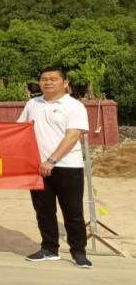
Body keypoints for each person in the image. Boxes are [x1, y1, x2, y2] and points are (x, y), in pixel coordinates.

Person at [18, 67, 92, 268]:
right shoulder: (33, 104)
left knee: (73, 211)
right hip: (37, 167)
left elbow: (73, 135)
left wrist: (51, 160)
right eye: (44, 79)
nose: (48, 82)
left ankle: (78, 251)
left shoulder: (74, 106)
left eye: (53, 79)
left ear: (65, 83)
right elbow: (20, 131)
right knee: (43, 210)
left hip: (67, 166)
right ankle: (49, 249)